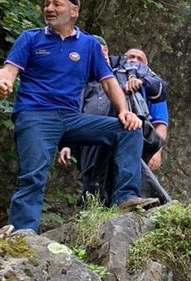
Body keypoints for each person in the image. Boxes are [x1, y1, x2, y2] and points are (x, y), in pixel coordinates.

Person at [0, 0, 157, 234]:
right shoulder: (30, 38)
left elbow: (108, 82)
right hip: (35, 115)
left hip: (72, 118)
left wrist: (124, 111)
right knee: (33, 175)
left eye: (57, 4)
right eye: (47, 3)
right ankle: (22, 231)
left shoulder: (89, 45)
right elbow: (9, 70)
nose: (49, 8)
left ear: (74, 11)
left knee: (129, 129)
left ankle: (125, 198)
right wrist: (5, 82)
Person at [58, 39, 169, 203]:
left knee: (129, 168)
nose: (135, 60)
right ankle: (93, 215)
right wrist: (66, 143)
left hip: (127, 127)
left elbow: (160, 93)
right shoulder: (84, 77)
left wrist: (141, 81)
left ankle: (137, 201)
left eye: (139, 59)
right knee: (91, 178)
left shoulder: (130, 69)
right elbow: (73, 109)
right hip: (91, 134)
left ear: (106, 50)